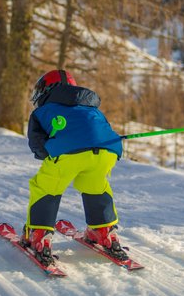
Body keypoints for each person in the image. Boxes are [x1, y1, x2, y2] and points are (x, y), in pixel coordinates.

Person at [22, 69, 127, 266]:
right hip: (107, 151)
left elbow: (37, 146)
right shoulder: (92, 107)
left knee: (45, 187)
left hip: (68, 153)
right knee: (94, 185)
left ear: (46, 89)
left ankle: (39, 236)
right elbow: (98, 130)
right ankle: (104, 232)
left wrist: (49, 150)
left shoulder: (42, 111)